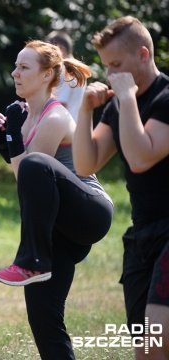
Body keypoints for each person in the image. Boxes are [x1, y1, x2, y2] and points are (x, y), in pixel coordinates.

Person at [0, 40, 113, 359]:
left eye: (24, 67)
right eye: (15, 66)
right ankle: (36, 263)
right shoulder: (28, 115)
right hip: (59, 229)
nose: (15, 73)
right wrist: (6, 143)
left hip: (90, 212)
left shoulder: (55, 117)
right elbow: (29, 179)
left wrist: (13, 135)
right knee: (43, 318)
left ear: (46, 76)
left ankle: (32, 262)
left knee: (33, 165)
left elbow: (27, 171)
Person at [73, 16, 169, 360]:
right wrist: (84, 111)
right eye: (106, 67)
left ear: (143, 54)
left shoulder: (165, 99)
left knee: (157, 340)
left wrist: (126, 100)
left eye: (116, 65)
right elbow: (87, 163)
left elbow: (142, 157)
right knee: (145, 351)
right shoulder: (120, 103)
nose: (110, 75)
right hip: (143, 235)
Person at [45, 30, 86, 122]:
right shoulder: (77, 68)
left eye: (49, 50)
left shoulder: (64, 69)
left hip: (61, 127)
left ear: (61, 49)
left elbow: (59, 104)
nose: (46, 56)